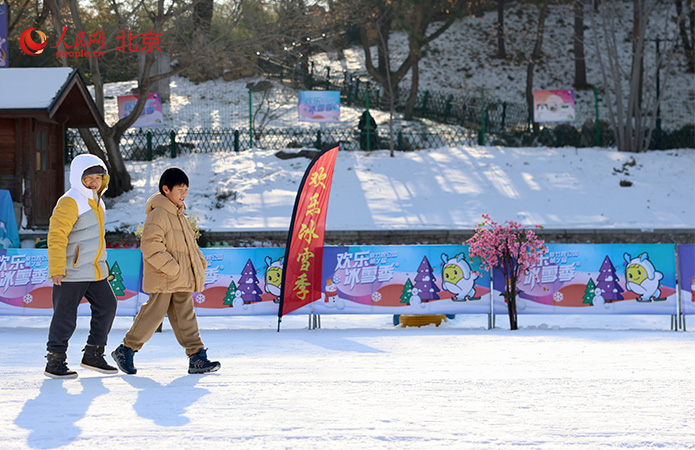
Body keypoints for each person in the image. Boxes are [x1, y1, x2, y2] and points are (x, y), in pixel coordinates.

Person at [111, 167, 220, 375]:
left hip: (180, 277)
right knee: (153, 314)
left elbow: (191, 246)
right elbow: (151, 246)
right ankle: (126, 350)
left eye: (186, 189)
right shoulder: (159, 214)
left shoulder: (180, 215)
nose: (184, 193)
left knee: (185, 315)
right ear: (166, 189)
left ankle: (197, 356)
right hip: (165, 276)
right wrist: (173, 268)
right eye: (180, 189)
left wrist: (199, 262)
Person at [45, 154, 118, 379]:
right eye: (89, 178)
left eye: (99, 177)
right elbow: (56, 235)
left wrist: (104, 267)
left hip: (94, 270)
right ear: (78, 178)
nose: (94, 182)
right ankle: (55, 360)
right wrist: (57, 267)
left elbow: (96, 240)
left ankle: (93, 354)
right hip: (71, 271)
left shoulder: (97, 201)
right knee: (65, 316)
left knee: (107, 305)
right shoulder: (70, 200)